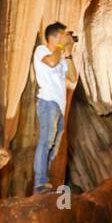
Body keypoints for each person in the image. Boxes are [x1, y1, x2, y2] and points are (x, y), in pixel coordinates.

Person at [32, 21, 77, 193]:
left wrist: (69, 53)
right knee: (46, 141)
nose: (65, 38)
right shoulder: (42, 50)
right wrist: (61, 46)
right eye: (63, 35)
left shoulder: (61, 59)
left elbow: (73, 78)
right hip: (47, 103)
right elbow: (51, 63)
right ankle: (39, 183)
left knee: (53, 146)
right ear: (54, 37)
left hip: (59, 107)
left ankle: (44, 181)